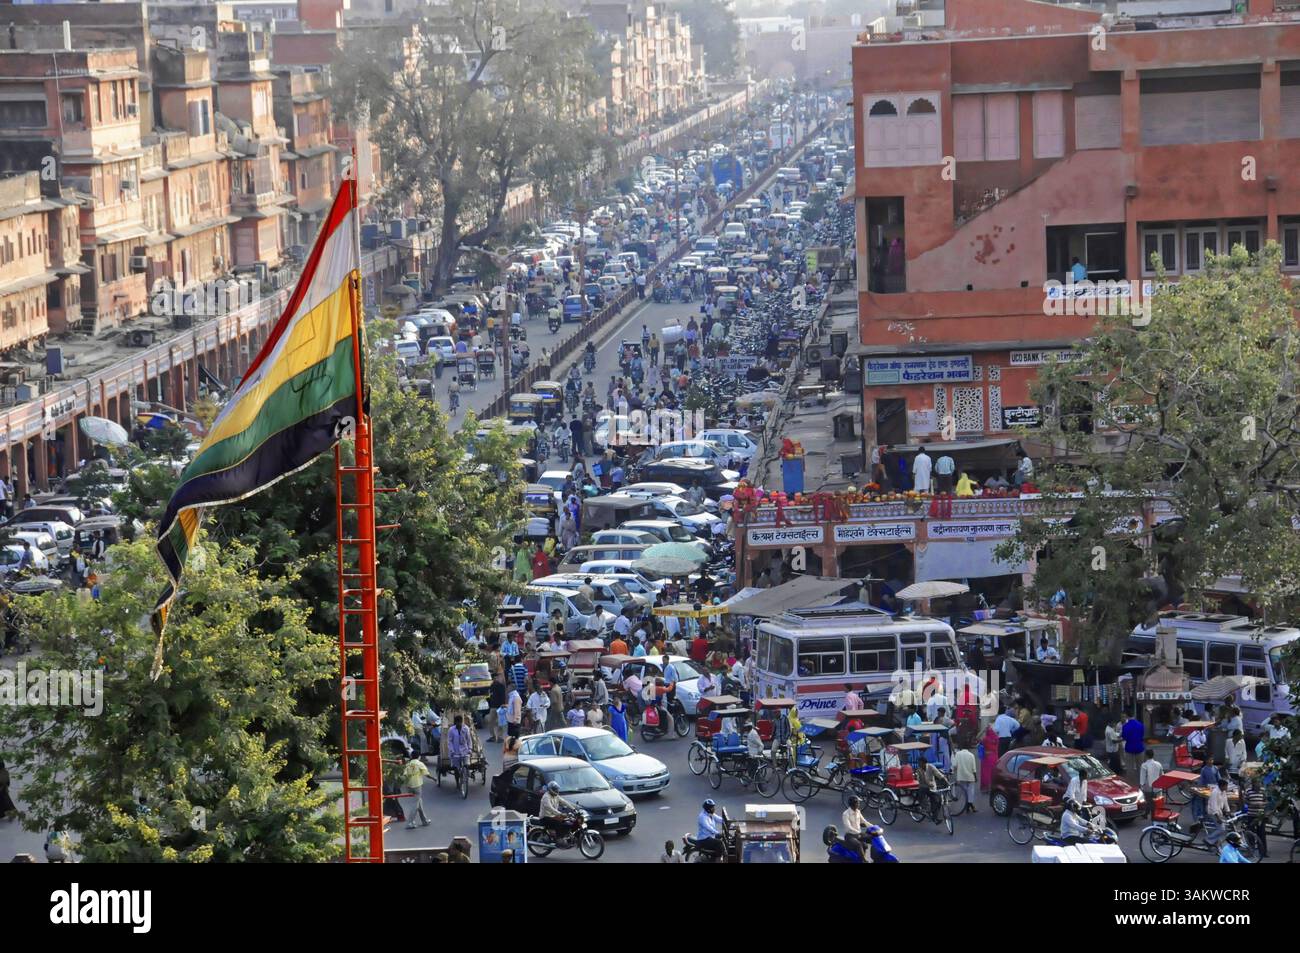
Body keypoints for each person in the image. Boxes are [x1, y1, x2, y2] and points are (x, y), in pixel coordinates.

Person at [401, 754, 431, 828]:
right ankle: (410, 823)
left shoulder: (408, 764)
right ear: (419, 757)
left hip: (409, 786)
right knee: (415, 804)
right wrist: (434, 779)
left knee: (419, 801)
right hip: (417, 786)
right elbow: (426, 774)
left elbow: (404, 775)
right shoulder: (419, 763)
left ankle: (424, 820)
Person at [916, 755, 947, 822]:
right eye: (919, 763)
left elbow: (938, 774)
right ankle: (924, 809)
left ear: (924, 763)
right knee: (921, 795)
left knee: (938, 800)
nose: (919, 764)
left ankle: (935, 816)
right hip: (923, 787)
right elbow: (919, 780)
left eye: (920, 763)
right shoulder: (919, 769)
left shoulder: (930, 767)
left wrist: (945, 781)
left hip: (932, 787)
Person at [953, 744, 979, 814]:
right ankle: (970, 804)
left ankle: (968, 804)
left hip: (961, 777)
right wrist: (975, 777)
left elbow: (955, 765)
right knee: (971, 791)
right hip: (970, 776)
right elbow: (974, 769)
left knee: (965, 791)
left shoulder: (957, 754)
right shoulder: (971, 755)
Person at [1139, 749, 1164, 818]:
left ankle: (1148, 814)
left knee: (1148, 801)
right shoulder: (1158, 764)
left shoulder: (1144, 765)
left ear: (1146, 755)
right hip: (1158, 787)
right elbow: (1162, 775)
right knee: (1157, 802)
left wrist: (1141, 786)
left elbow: (1142, 778)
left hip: (1148, 787)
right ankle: (1155, 815)